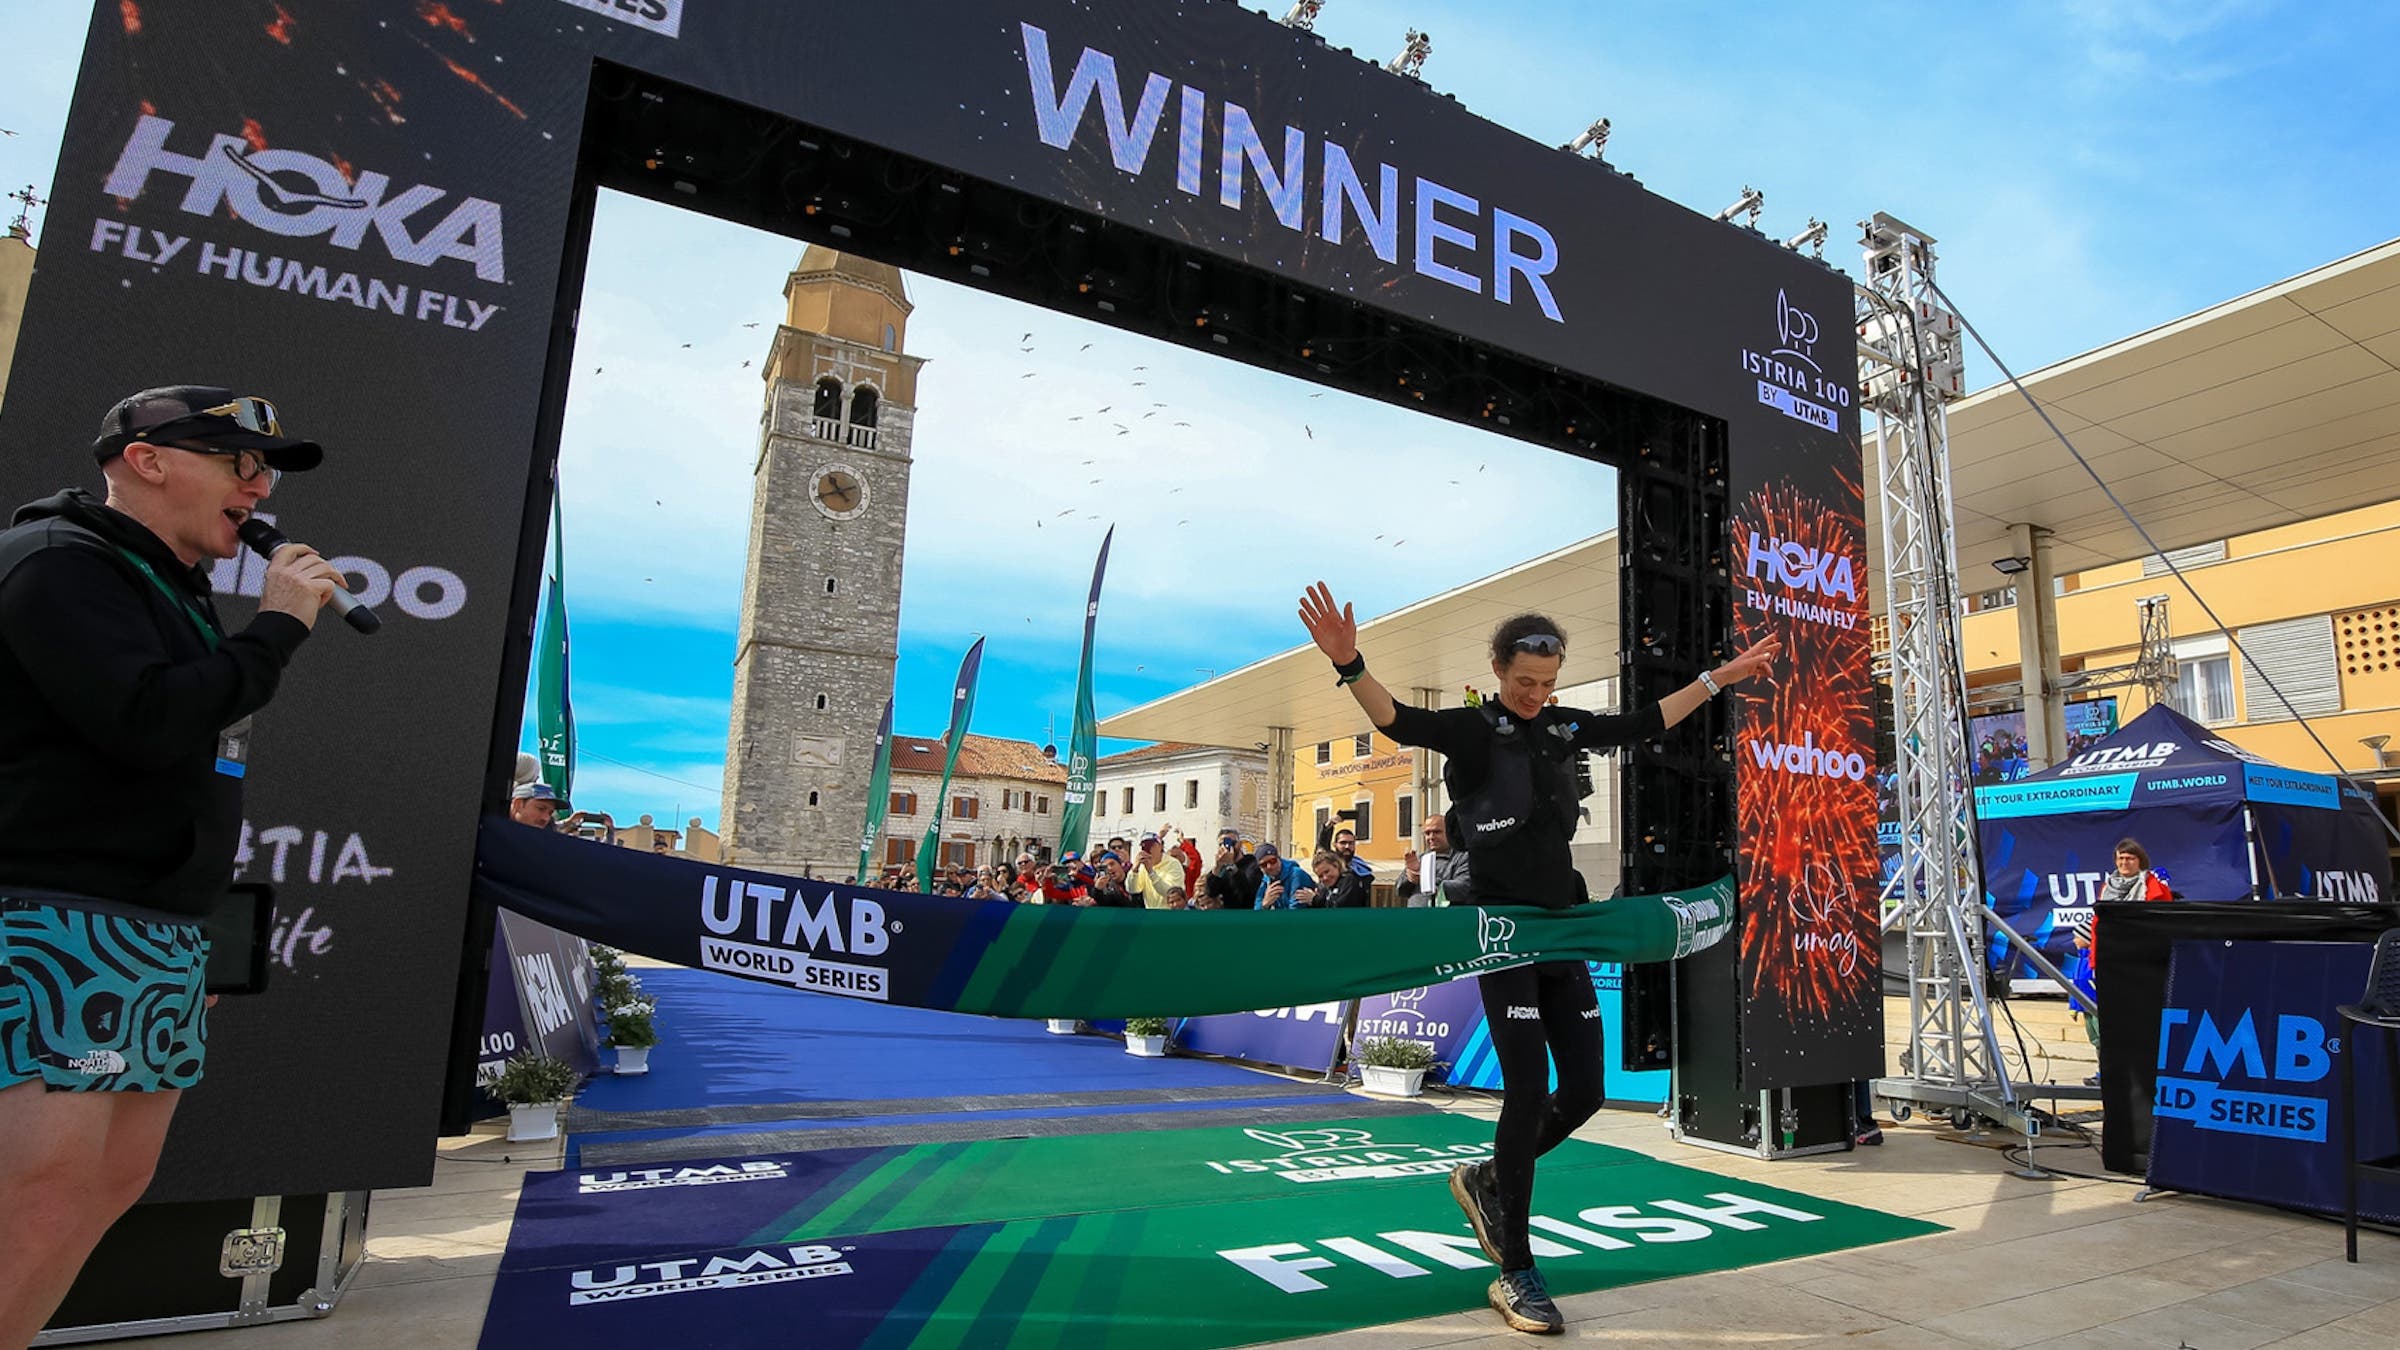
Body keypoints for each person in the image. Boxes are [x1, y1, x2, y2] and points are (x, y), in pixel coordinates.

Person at [1299, 581, 1776, 1335]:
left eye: (1547, 682)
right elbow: (1397, 719)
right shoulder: (1470, 730)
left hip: (1564, 928)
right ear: (1497, 668)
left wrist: (1718, 678)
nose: (1535, 694)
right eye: (1524, 681)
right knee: (1526, 1090)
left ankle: (1488, 1178)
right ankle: (1515, 1269)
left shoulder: (1562, 726)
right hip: (1503, 931)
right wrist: (1349, 663)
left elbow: (1643, 721)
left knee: (1584, 1090)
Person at [0, 386, 344, 1349]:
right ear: (147, 460)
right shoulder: (58, 562)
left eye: (266, 471)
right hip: (53, 919)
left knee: (105, 1186)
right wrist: (276, 627)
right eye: (238, 463)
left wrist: (189, 925)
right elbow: (147, 721)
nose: (260, 487)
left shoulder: (170, 586)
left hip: (150, 929)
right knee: (38, 1195)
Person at [2069, 837, 2169, 1084]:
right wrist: (2093, 955)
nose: (2124, 862)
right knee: (2107, 1024)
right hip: (2108, 962)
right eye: (2120, 858)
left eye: (2130, 858)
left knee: (2136, 1023)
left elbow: (2161, 924)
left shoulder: (2152, 886)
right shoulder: (2108, 887)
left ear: (2140, 860)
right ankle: (2109, 1073)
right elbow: (2098, 924)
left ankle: (2142, 1072)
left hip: (2138, 963)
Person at [1396, 814, 1473, 907]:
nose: (1431, 837)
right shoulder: (1419, 859)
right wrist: (1410, 877)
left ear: (1449, 832)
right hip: (1416, 915)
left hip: (1447, 915)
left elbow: (1464, 887)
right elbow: (1399, 890)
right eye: (1427, 833)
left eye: (1437, 832)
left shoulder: (1463, 857)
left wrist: (1428, 880)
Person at [1254, 843, 1315, 909]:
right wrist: (1264, 904)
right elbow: (1257, 907)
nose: (1269, 866)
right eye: (1263, 864)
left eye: (1272, 861)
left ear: (1279, 859)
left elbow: (1296, 911)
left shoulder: (1296, 875)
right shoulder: (1266, 879)